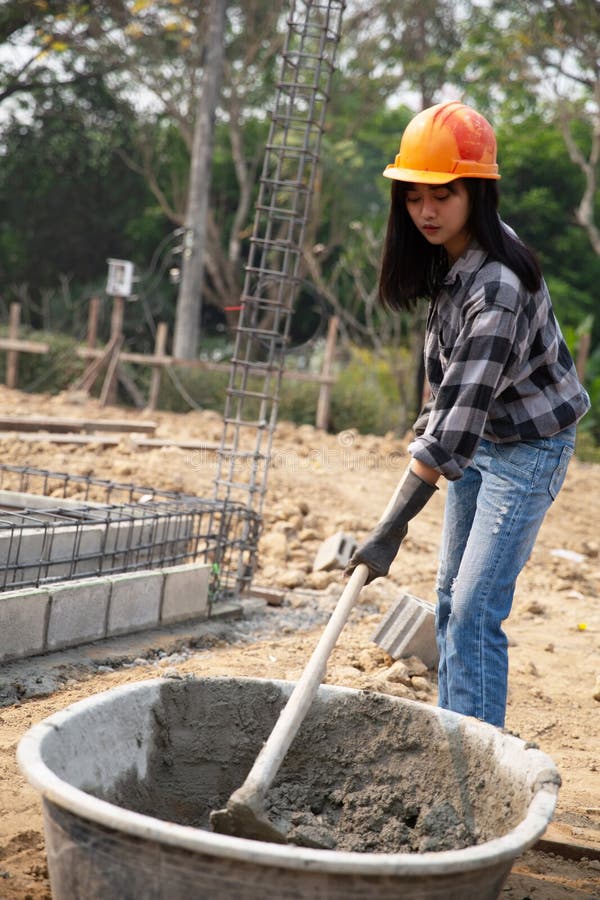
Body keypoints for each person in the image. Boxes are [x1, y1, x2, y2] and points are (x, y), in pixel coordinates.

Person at [346, 100, 590, 729]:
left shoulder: (498, 287)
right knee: (451, 598)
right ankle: (452, 742)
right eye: (413, 196)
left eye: (443, 195)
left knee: (477, 606)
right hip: (480, 436)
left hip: (529, 447)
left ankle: (478, 762)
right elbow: (446, 394)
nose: (426, 211)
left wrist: (391, 529)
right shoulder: (455, 255)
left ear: (476, 192)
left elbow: (451, 428)